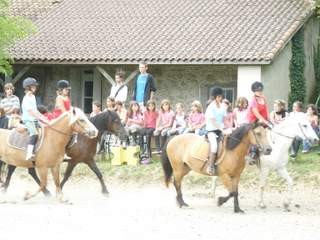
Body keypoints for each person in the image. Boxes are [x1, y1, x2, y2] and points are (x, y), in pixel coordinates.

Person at [21, 77, 49, 161]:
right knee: (34, 133)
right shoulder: (26, 98)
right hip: (28, 120)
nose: (35, 88)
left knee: (46, 129)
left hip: (34, 119)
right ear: (28, 87)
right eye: (33, 86)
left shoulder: (33, 96)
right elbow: (31, 112)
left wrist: (44, 118)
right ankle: (29, 154)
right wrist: (41, 118)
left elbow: (35, 110)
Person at [205, 87, 226, 175]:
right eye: (219, 96)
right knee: (214, 146)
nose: (220, 98)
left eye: (221, 96)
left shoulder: (222, 106)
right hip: (212, 131)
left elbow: (224, 119)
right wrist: (222, 129)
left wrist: (226, 128)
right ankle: (210, 166)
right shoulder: (211, 107)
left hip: (221, 130)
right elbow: (213, 121)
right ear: (215, 97)